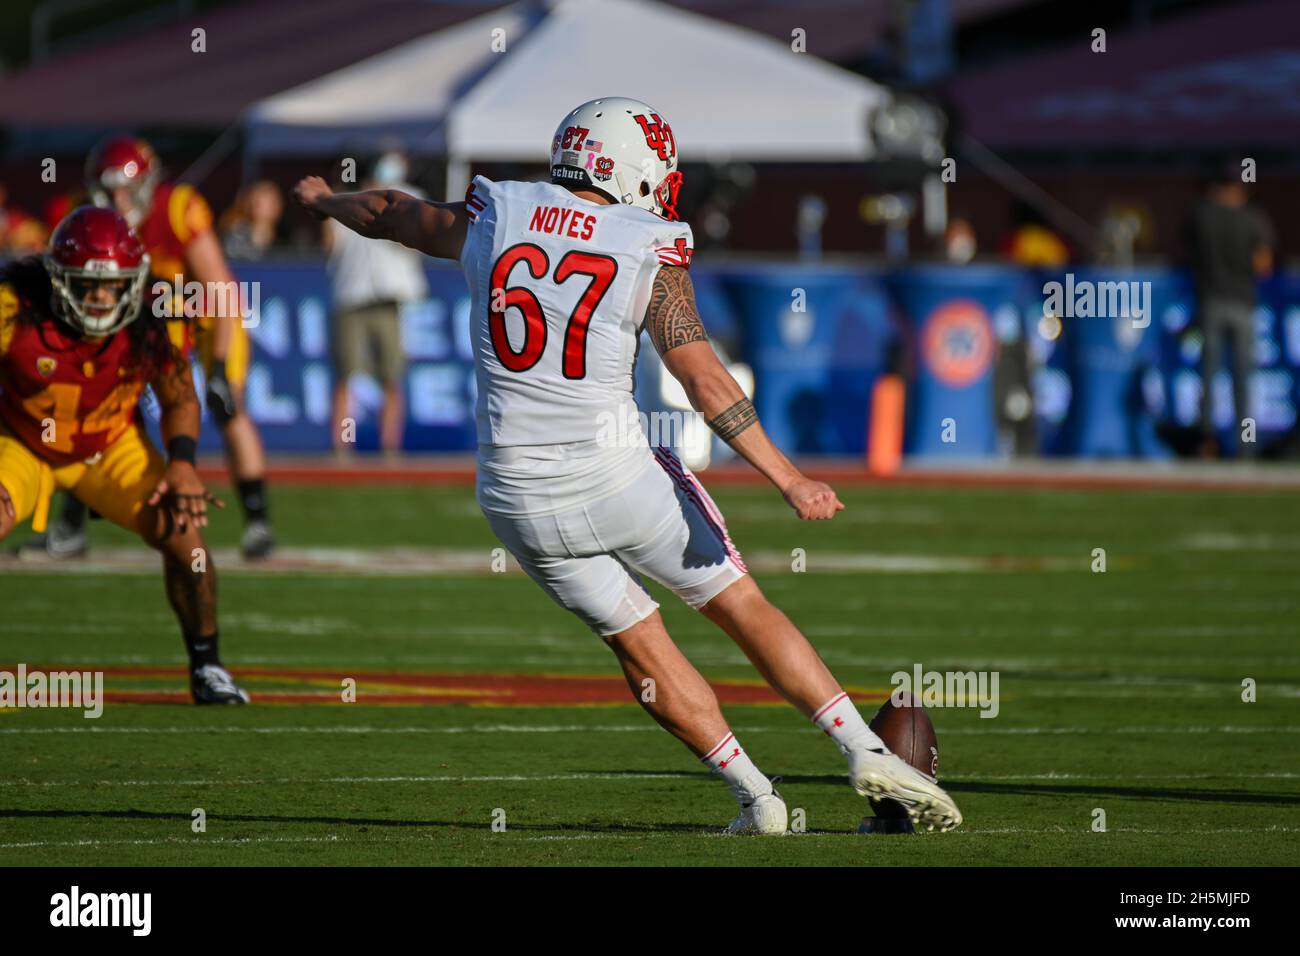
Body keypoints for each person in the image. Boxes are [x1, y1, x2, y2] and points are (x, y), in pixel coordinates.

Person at [295, 97, 961, 834]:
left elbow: (392, 211)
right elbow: (706, 382)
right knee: (740, 604)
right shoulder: (645, 240)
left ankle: (757, 797)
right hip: (615, 476)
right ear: (632, 167)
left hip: (514, 496)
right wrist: (788, 476)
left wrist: (328, 199)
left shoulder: (498, 213)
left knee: (636, 641)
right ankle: (864, 750)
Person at [0, 206, 249, 704]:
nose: (97, 298)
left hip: (110, 447)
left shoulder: (153, 314)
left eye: (112, 286)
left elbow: (179, 395)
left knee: (190, 545)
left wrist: (181, 463)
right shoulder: (14, 306)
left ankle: (207, 665)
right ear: (56, 279)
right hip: (22, 442)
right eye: (85, 285)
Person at [24, 136, 275, 560]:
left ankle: (258, 523)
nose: (117, 201)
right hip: (139, 322)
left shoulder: (178, 208)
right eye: (107, 192)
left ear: (146, 184)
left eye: (125, 190)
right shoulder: (86, 217)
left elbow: (220, 292)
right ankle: (70, 528)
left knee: (228, 407)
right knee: (94, 411)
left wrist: (215, 369)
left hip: (203, 316)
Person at [323, 152, 427, 455]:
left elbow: (416, 242)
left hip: (389, 298)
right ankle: (341, 448)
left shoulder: (409, 198)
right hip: (351, 296)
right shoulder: (344, 200)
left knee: (391, 377)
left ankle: (389, 448)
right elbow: (329, 245)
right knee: (346, 375)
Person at [1185, 164, 1275, 458]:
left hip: (1211, 303)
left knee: (1208, 377)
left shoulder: (1202, 214)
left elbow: (1186, 249)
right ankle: (1244, 445)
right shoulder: (1252, 217)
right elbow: (1263, 265)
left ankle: (1206, 443)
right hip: (1242, 304)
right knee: (1242, 381)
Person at [220, 180, 285, 261]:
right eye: (259, 203)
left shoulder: (286, 234)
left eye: (273, 203)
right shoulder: (238, 232)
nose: (269, 209)